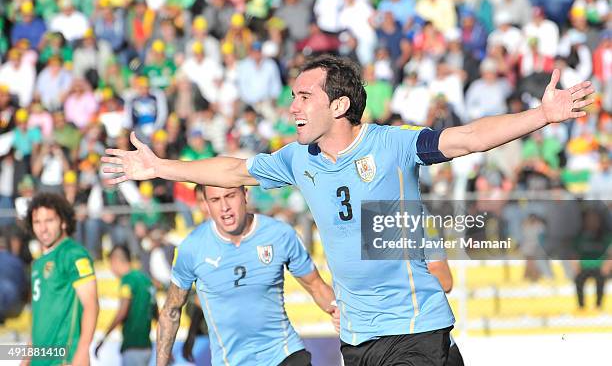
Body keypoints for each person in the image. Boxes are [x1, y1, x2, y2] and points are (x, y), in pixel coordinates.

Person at [104, 55, 594, 365]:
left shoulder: (392, 145)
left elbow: (467, 139)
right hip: (356, 340)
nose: (292, 106)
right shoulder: (298, 159)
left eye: (303, 96)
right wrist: (160, 168)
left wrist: (542, 116)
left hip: (412, 328)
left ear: (338, 106)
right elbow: (231, 171)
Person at [156, 184, 337, 366]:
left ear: (245, 195)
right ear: (206, 204)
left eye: (230, 196)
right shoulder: (192, 248)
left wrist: (339, 312)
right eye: (215, 200)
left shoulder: (279, 234)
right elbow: (171, 310)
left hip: (284, 354)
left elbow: (316, 286)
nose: (224, 207)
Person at [22, 192, 99, 366]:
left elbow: (91, 305)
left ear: (63, 222)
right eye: (37, 222)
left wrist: (82, 352)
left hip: (64, 360)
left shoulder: (73, 254)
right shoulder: (38, 263)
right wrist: (26, 360)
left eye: (49, 221)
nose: (43, 229)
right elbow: (38, 318)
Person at [94, 245, 157, 366]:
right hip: (148, 348)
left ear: (115, 260)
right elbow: (157, 315)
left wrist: (103, 338)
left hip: (132, 347)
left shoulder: (127, 280)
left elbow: (123, 311)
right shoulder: (147, 280)